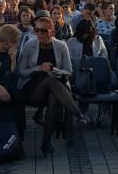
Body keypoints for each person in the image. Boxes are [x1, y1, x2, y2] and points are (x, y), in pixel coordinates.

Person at [17, 15, 84, 154]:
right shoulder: (30, 45)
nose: (39, 34)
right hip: (33, 89)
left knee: (54, 97)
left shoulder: (61, 45)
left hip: (57, 90)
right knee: (49, 80)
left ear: (52, 32)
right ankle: (78, 114)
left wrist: (54, 69)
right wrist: (39, 68)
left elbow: (68, 71)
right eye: (37, 30)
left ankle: (46, 143)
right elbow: (21, 71)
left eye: (43, 31)